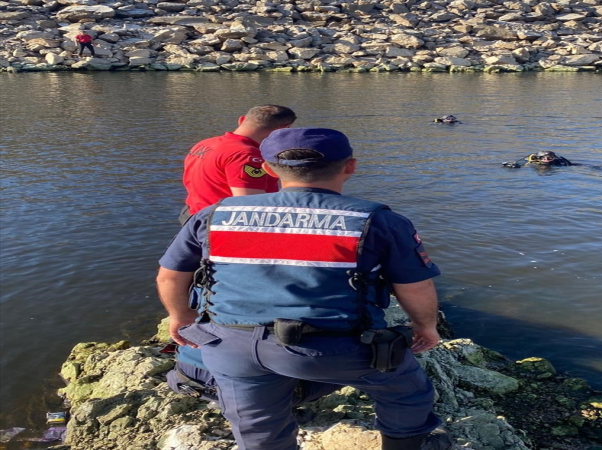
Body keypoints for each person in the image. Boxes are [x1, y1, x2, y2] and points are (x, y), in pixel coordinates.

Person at [157, 128, 451, 450]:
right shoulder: (376, 220)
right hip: (331, 349)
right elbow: (415, 285)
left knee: (257, 427)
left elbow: (170, 276)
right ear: (350, 167)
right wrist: (425, 327)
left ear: (269, 169)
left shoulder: (214, 215)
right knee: (406, 390)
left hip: (230, 346)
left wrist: (180, 316)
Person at [179, 105, 297, 224]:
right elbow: (249, 204)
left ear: (241, 120)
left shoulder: (205, 143)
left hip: (194, 216)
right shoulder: (247, 156)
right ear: (284, 129)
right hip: (220, 223)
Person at [502, 150, 574, 168]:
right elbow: (521, 165)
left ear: (554, 158)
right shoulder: (533, 162)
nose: (546, 160)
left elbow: (573, 165)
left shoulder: (558, 162)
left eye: (549, 158)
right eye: (543, 158)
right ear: (538, 158)